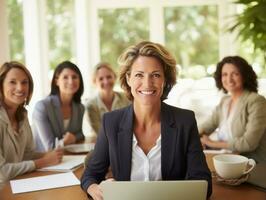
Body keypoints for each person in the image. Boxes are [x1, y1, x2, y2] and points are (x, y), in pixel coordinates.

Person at [81, 41, 212, 199]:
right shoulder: (111, 122)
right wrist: (94, 188)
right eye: (139, 75)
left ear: (165, 80)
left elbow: (203, 182)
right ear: (128, 79)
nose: (147, 83)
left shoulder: (185, 121)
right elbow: (91, 174)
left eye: (156, 75)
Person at [0, 61, 63, 187]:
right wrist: (43, 161)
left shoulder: (22, 115)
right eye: (13, 82)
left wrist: (48, 154)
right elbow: (2, 172)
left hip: (16, 184)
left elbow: (26, 154)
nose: (20, 88)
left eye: (24, 82)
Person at [199, 56, 266, 163]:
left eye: (235, 74)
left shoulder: (256, 101)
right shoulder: (225, 101)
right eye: (224, 74)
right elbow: (206, 126)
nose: (229, 79)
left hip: (252, 165)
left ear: (244, 76)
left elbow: (248, 143)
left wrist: (212, 143)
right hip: (227, 160)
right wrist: (192, 135)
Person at [32, 61, 85, 152]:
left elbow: (80, 134)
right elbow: (50, 147)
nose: (71, 81)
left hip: (67, 158)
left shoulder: (80, 107)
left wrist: (73, 138)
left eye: (74, 77)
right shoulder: (42, 107)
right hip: (45, 161)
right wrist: (65, 141)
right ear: (56, 81)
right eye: (65, 77)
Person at [83, 62, 130, 137]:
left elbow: (130, 126)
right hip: (101, 146)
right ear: (95, 82)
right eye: (101, 79)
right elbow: (100, 134)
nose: (106, 81)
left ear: (114, 77)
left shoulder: (126, 98)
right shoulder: (91, 105)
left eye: (109, 77)